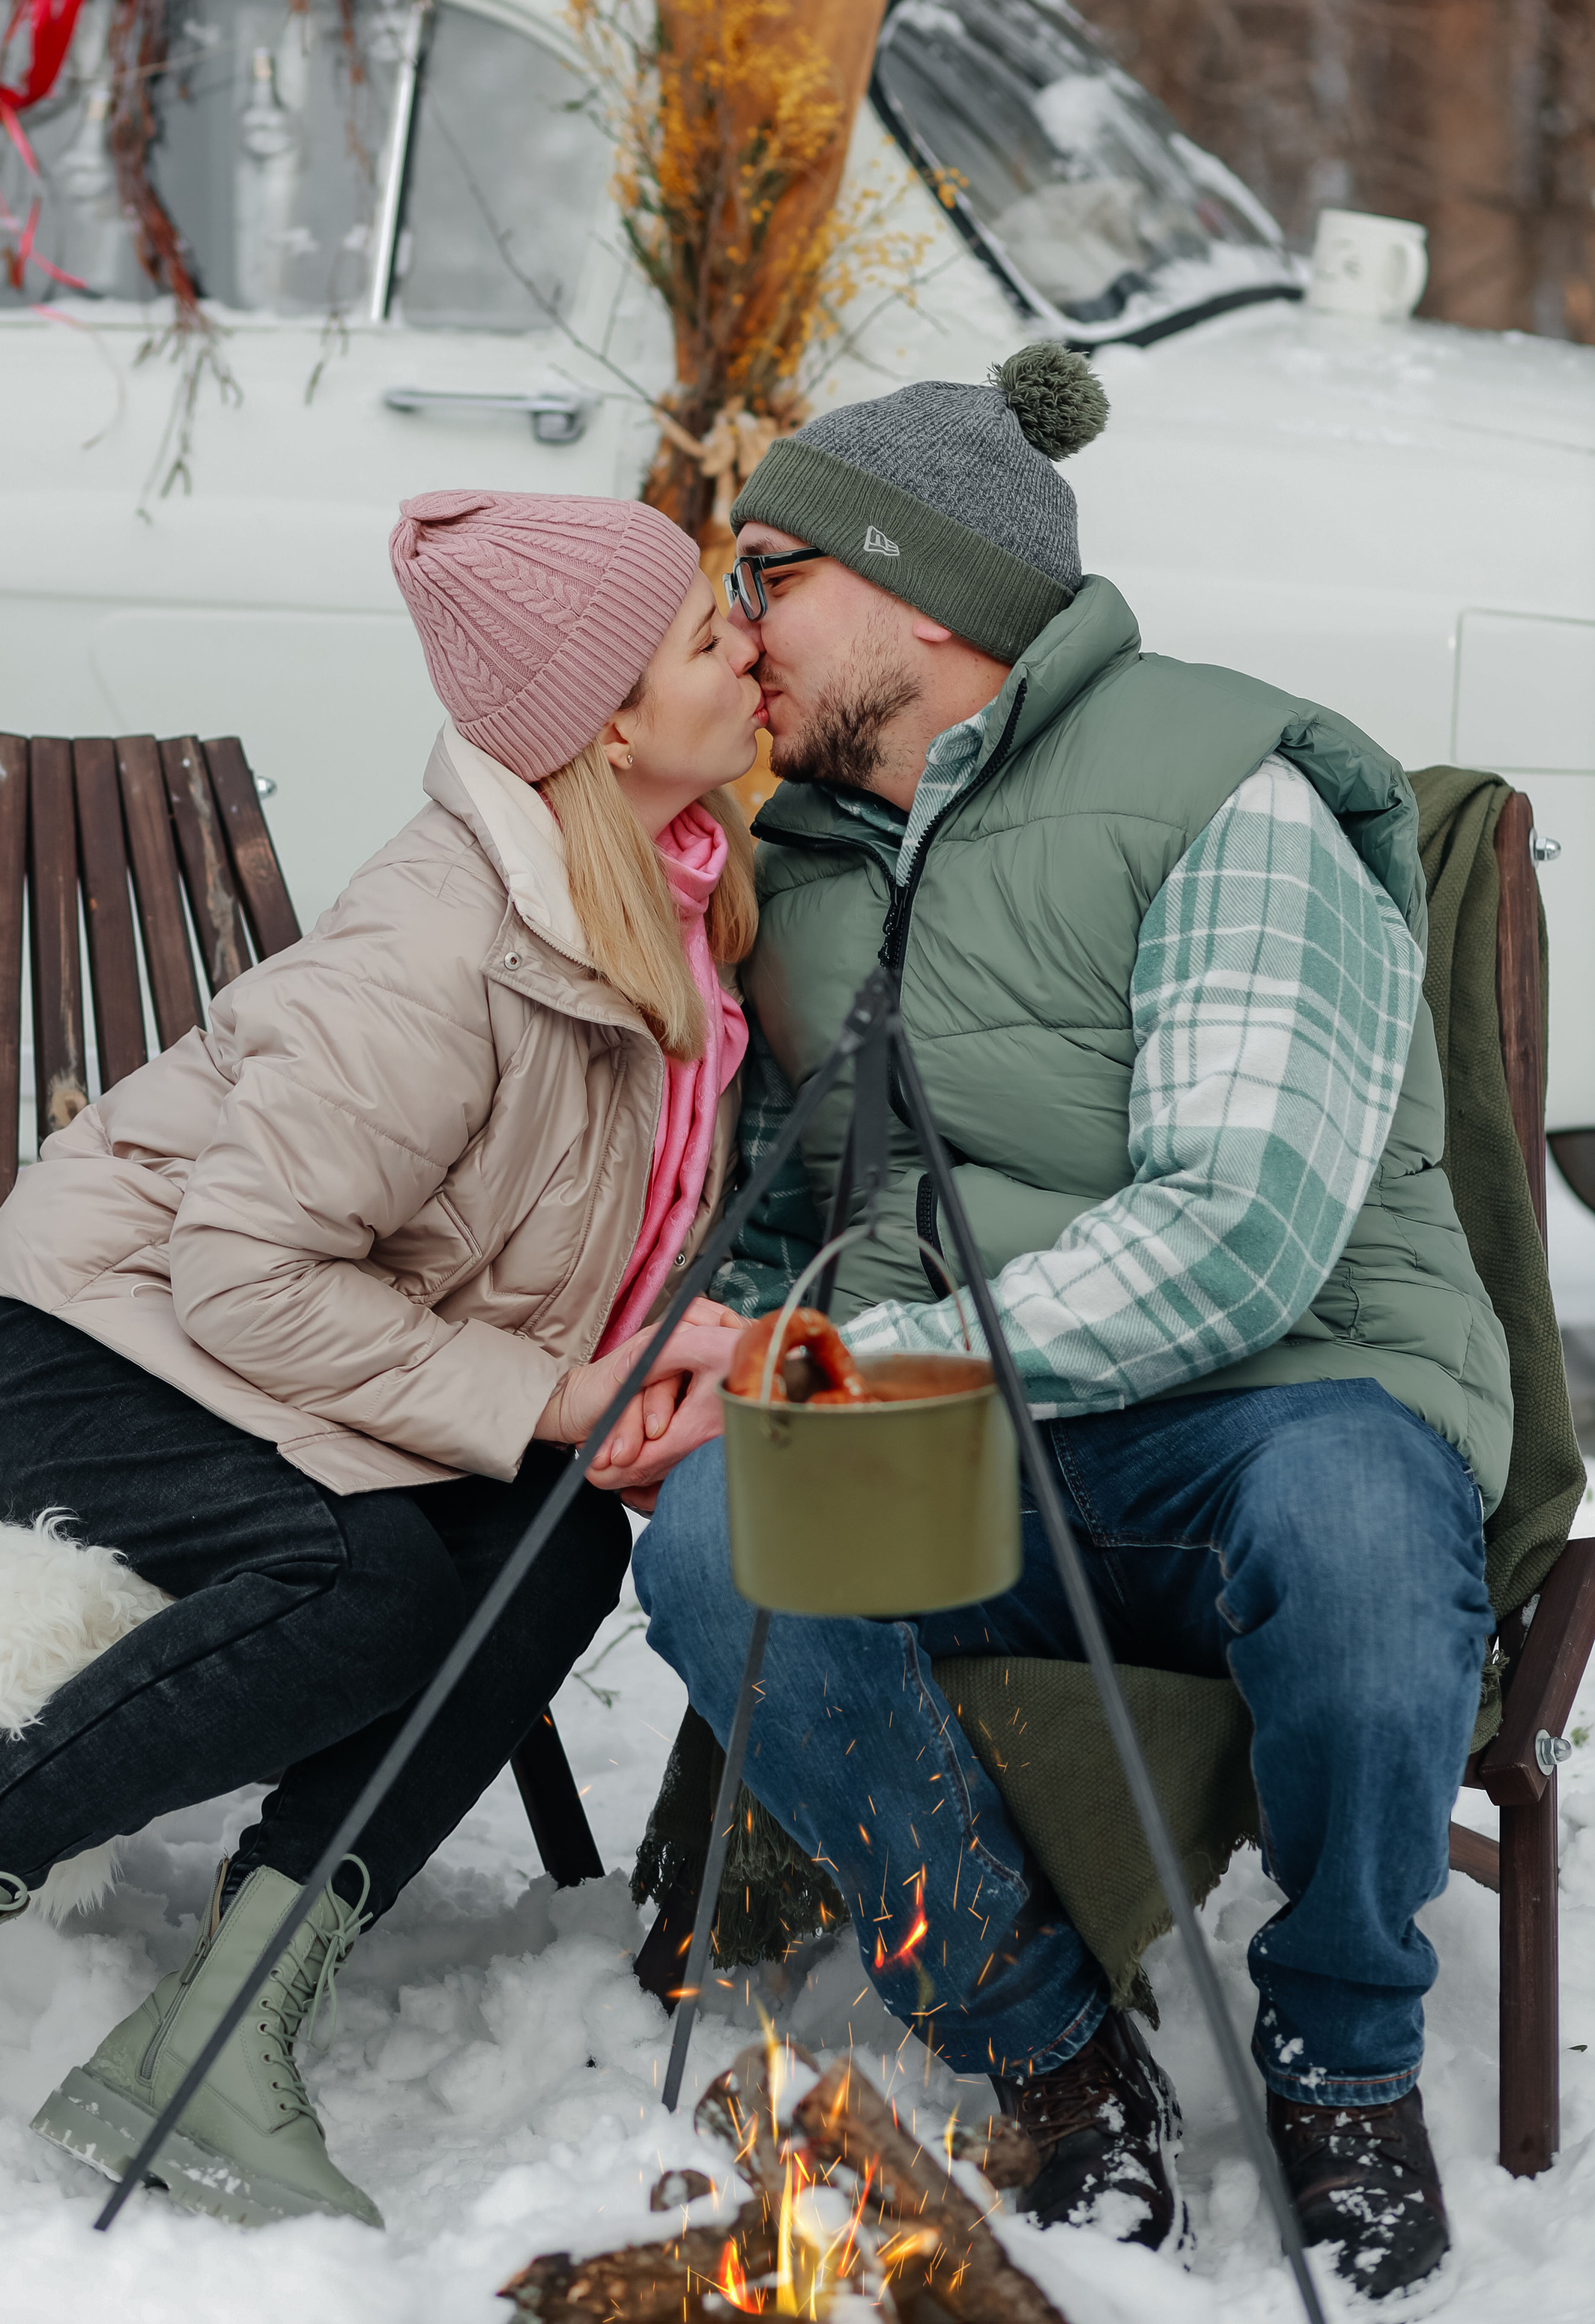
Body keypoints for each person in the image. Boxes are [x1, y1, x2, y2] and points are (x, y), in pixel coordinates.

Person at [0, 487, 763, 2230]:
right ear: (607, 722)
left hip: (279, 1360)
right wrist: (549, 1396)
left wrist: (631, 1366)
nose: (751, 645)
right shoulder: (445, 944)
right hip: (98, 1345)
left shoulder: (668, 899)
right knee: (370, 1586)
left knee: (551, 1549)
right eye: (710, 629)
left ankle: (214, 2041)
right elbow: (240, 1265)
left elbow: (508, 1242)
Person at [618, 347, 1507, 2301]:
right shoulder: (807, 864)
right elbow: (796, 1206)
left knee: (1353, 1525)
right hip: (980, 1440)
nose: (735, 622)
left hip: (1281, 1410)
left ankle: (1344, 2057)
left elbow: (1238, 1229)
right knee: (717, 1547)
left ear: (920, 596)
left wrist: (861, 1363)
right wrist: (723, 1346)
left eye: (771, 572)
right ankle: (1048, 2051)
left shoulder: (1224, 784)